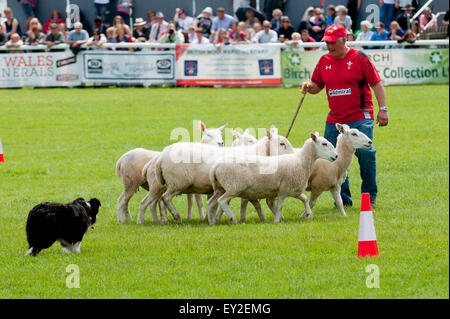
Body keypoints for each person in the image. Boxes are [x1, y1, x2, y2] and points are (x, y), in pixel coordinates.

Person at [301, 24, 388, 207]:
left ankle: (368, 196)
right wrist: (309, 88)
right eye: (327, 42)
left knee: (366, 153)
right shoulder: (324, 61)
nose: (330, 46)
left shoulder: (360, 58)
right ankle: (343, 199)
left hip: (360, 114)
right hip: (335, 117)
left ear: (344, 40)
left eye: (333, 42)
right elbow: (317, 86)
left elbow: (377, 84)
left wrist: (383, 109)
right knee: (333, 156)